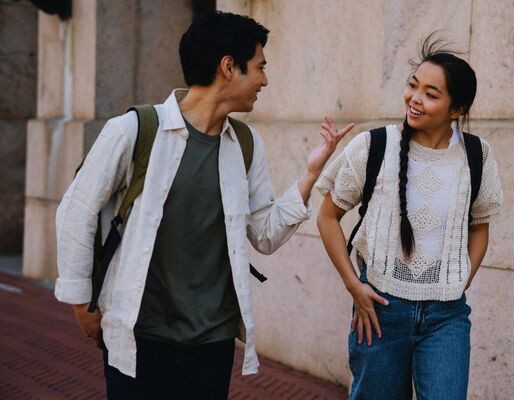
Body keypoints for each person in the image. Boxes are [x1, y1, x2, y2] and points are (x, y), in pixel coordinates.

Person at [54, 11, 352, 399]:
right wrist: (81, 304)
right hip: (141, 334)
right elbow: (76, 212)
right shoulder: (134, 130)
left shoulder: (243, 144)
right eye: (259, 67)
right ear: (229, 67)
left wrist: (311, 173)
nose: (264, 80)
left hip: (212, 342)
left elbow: (264, 233)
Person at [316, 36, 503, 399]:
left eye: (431, 94)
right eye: (413, 85)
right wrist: (353, 284)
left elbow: (480, 227)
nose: (415, 99)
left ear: (456, 110)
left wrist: (462, 278)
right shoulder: (373, 146)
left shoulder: (477, 155)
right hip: (380, 311)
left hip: (448, 316)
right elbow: (327, 217)